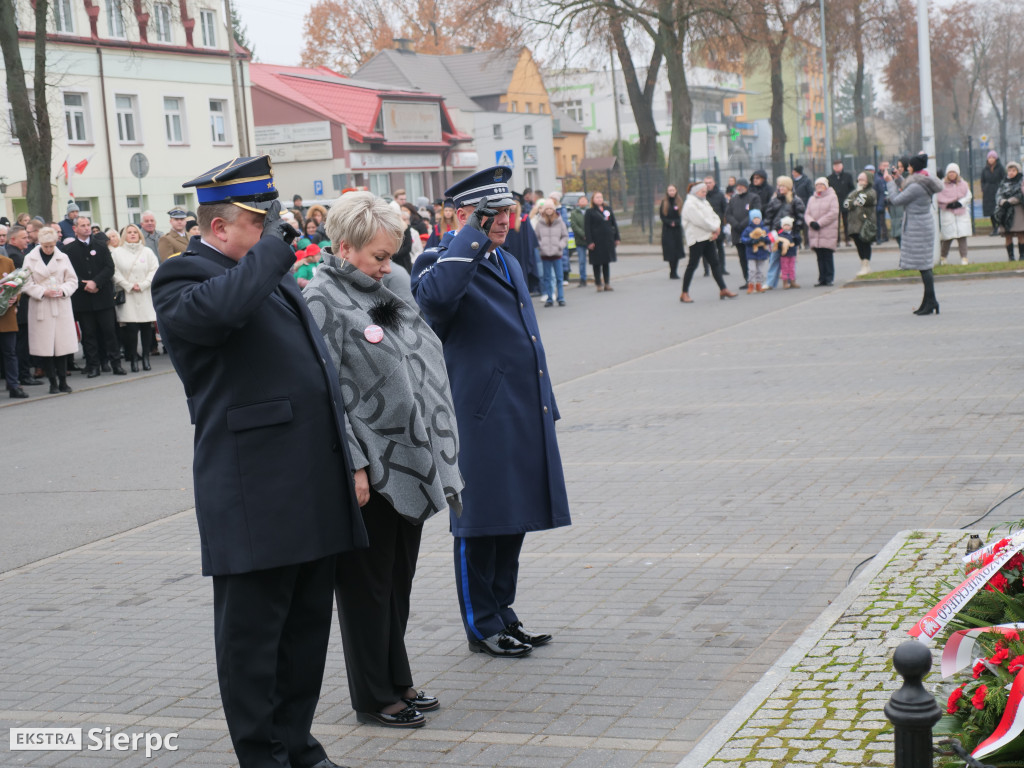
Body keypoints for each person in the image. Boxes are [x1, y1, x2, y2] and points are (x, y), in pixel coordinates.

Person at [151, 155, 365, 768]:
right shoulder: (182, 278)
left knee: (303, 635)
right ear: (221, 228)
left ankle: (297, 743)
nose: (275, 231)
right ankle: (262, 754)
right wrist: (276, 250)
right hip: (253, 492)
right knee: (253, 643)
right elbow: (220, 313)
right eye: (260, 220)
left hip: (308, 483)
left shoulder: (261, 271)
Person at [303, 192, 462, 730]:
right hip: (368, 467)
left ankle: (398, 677)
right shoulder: (322, 298)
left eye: (391, 254)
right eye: (377, 255)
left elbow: (413, 347)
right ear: (343, 247)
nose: (387, 265)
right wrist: (354, 464)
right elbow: (325, 394)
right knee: (366, 588)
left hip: (409, 461)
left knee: (397, 581)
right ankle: (373, 696)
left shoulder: (383, 288)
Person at [410, 166, 570, 658]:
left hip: (522, 410)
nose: (503, 220)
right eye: (490, 214)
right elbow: (433, 303)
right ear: (462, 216)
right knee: (479, 524)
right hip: (478, 417)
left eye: (506, 211)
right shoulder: (440, 260)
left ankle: (505, 612)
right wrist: (468, 237)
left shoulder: (507, 261)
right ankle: (482, 624)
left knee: (512, 518)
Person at [65, 215, 126, 377]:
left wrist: (96, 282)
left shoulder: (100, 245)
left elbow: (109, 267)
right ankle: (93, 366)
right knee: (89, 334)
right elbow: (67, 273)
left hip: (102, 297)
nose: (86, 228)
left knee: (109, 331)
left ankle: (116, 364)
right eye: (82, 225)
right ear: (75, 229)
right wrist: (83, 284)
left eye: (88, 225)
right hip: (83, 299)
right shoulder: (69, 250)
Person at [21, 227, 77, 394]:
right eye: (45, 246)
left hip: (60, 304)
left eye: (51, 246)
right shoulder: (30, 259)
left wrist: (63, 290)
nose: (49, 249)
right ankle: (52, 382)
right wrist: (42, 292)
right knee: (46, 348)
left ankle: (63, 381)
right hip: (41, 305)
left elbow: (73, 280)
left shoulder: (63, 257)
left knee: (61, 346)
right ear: (39, 243)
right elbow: (25, 283)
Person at [886, 153, 942, 315]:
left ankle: (931, 301)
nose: (906, 168)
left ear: (914, 167)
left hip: (919, 227)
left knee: (924, 267)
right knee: (924, 266)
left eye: (908, 166)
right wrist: (897, 179)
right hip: (920, 225)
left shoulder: (917, 186)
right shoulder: (921, 180)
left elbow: (897, 199)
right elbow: (906, 187)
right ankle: (929, 301)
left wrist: (890, 183)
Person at [111, 223, 159, 371]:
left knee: (146, 328)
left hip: (144, 294)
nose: (132, 234)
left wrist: (144, 284)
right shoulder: (117, 253)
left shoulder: (147, 252)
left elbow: (154, 270)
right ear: (125, 235)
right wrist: (128, 285)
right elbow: (114, 271)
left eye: (135, 232)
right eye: (130, 232)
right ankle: (133, 359)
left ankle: (146, 358)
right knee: (130, 329)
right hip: (128, 295)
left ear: (139, 235)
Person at [679, 182, 737, 303]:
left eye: (705, 191)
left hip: (708, 237)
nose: (705, 193)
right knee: (692, 265)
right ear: (695, 191)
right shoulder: (690, 204)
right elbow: (700, 221)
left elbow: (713, 215)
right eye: (702, 191)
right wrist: (714, 228)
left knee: (715, 263)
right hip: (697, 238)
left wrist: (717, 226)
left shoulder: (703, 202)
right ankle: (684, 293)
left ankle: (723, 288)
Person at [763, 176, 806, 289]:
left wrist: (795, 231)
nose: (780, 188)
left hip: (789, 235)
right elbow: (768, 217)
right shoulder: (774, 200)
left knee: (791, 258)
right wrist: (767, 230)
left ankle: (791, 280)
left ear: (788, 187)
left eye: (782, 185)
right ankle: (770, 282)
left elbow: (800, 217)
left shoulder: (796, 200)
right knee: (774, 258)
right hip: (776, 234)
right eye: (779, 185)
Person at [0, 244, 26, 398]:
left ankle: (14, 385)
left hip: (7, 316)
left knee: (10, 352)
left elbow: (17, 286)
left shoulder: (7, 262)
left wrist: (15, 298)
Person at [936, 163, 973, 266]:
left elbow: (968, 196)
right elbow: (938, 197)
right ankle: (943, 257)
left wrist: (959, 203)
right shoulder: (941, 184)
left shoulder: (963, 184)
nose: (952, 174)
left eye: (954, 172)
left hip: (961, 214)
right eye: (950, 172)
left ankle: (964, 258)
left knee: (962, 237)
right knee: (947, 238)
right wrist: (948, 204)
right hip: (947, 214)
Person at [805, 177, 839, 287]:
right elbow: (807, 213)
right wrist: (811, 222)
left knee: (827, 255)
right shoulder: (812, 199)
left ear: (826, 185)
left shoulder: (832, 197)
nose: (819, 187)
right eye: (817, 185)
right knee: (819, 256)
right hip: (815, 231)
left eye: (821, 184)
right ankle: (822, 278)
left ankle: (829, 278)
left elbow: (833, 213)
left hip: (827, 230)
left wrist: (819, 223)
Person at [536, 200, 569, 306]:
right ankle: (549, 298)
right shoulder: (540, 223)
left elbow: (565, 236)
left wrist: (560, 245)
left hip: (557, 253)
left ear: (554, 210)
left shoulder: (560, 222)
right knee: (547, 277)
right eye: (547, 208)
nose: (549, 210)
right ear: (544, 210)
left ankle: (561, 297)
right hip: (545, 254)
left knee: (559, 277)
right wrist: (541, 246)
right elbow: (536, 238)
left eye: (551, 208)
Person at [584, 192, 619, 291]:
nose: (599, 199)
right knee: (597, 263)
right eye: (597, 197)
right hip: (596, 241)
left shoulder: (608, 210)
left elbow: (614, 224)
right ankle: (598, 283)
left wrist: (617, 238)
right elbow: (587, 228)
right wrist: (590, 242)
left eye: (601, 197)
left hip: (607, 240)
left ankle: (607, 283)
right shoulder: (590, 212)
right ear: (593, 199)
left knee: (606, 262)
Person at [843, 172, 877, 276]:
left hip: (865, 223)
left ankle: (866, 265)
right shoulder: (855, 192)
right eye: (859, 179)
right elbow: (846, 204)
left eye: (862, 179)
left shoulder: (871, 192)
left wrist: (855, 198)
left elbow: (861, 201)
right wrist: (854, 198)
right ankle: (862, 263)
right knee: (858, 244)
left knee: (865, 244)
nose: (860, 182)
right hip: (854, 224)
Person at [725, 178, 754, 290]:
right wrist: (735, 224)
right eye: (737, 186)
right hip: (737, 233)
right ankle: (747, 279)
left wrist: (743, 224)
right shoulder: (733, 199)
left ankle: (754, 279)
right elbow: (728, 214)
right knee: (742, 257)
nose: (739, 187)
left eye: (741, 185)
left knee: (751, 257)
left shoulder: (753, 198)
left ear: (746, 186)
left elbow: (754, 212)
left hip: (750, 232)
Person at [994, 162, 1024, 261]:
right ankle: (1011, 257)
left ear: (1018, 171)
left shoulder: (1021, 181)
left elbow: (1020, 195)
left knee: (1021, 234)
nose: (1011, 173)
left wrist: (1010, 201)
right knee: (1008, 235)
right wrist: (1002, 202)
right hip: (1005, 211)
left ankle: (1022, 256)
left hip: (1018, 211)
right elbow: (998, 194)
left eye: (1013, 170)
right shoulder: (1003, 182)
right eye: (1009, 170)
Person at [740, 209, 771, 293]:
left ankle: (759, 284)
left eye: (758, 218)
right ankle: (751, 284)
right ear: (751, 219)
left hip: (762, 253)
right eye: (754, 218)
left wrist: (764, 239)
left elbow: (770, 239)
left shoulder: (764, 229)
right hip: (751, 253)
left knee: (760, 270)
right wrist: (751, 241)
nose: (756, 220)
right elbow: (743, 239)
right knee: (752, 270)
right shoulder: (748, 229)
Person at [704, 175, 729, 275]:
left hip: (718, 225)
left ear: (713, 183)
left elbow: (725, 209)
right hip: (706, 226)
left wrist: (723, 223)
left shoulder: (720, 195)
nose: (708, 185)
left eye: (710, 182)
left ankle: (722, 268)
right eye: (706, 183)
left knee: (720, 248)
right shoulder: (702, 195)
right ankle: (706, 270)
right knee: (706, 249)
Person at [828, 160, 856, 246]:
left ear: (842, 166)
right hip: (834, 204)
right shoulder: (830, 178)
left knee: (846, 222)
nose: (837, 167)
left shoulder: (848, 176)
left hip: (846, 202)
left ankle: (847, 240)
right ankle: (837, 241)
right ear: (833, 167)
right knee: (835, 223)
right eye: (835, 166)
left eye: (839, 165)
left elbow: (852, 189)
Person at [660, 185, 684, 279]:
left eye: (673, 190)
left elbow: (682, 215)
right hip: (667, 230)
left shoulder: (679, 202)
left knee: (677, 251)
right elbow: (662, 216)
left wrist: (677, 223)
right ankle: (672, 271)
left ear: (676, 190)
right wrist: (670, 223)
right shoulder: (664, 202)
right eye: (670, 190)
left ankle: (675, 271)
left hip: (677, 230)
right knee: (670, 251)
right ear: (667, 191)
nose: (671, 192)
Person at [982, 150, 1005, 236]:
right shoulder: (985, 169)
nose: (991, 159)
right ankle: (994, 228)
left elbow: (1003, 179)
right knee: (990, 211)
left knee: (998, 210)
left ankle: (1000, 228)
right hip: (988, 193)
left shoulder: (1000, 168)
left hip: (998, 191)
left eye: (993, 157)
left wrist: (1001, 188)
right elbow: (982, 180)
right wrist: (984, 188)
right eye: (989, 158)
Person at [889, 158, 909, 247]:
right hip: (895, 213)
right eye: (898, 166)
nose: (899, 168)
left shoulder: (908, 178)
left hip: (903, 213)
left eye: (901, 166)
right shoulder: (895, 179)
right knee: (898, 239)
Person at [569, 194, 588, 286]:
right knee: (582, 261)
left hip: (591, 240)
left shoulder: (589, 212)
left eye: (585, 200)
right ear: (578, 202)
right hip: (580, 240)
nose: (583, 202)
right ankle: (583, 279)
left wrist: (589, 235)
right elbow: (574, 225)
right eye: (582, 200)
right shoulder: (574, 213)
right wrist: (583, 234)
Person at [776, 216, 800, 289]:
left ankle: (793, 281)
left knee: (792, 268)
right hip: (784, 254)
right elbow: (778, 243)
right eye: (785, 225)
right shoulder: (781, 234)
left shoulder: (793, 234)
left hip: (792, 253)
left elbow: (797, 242)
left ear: (791, 226)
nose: (786, 227)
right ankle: (785, 282)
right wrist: (782, 245)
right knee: (785, 268)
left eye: (788, 225)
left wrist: (796, 238)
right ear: (782, 226)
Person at [874, 161, 891, 243]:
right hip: (881, 200)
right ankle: (882, 236)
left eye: (887, 166)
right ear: (880, 167)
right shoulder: (877, 177)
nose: (886, 167)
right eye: (884, 166)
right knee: (881, 220)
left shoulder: (892, 175)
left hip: (892, 199)